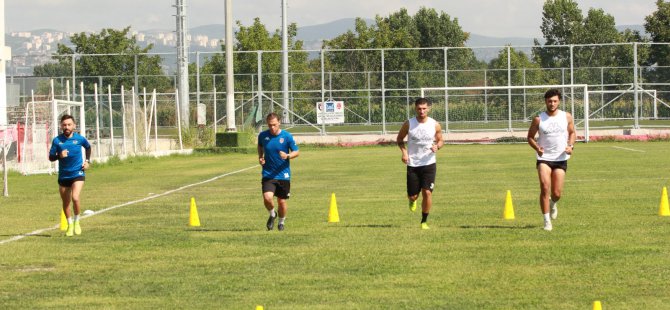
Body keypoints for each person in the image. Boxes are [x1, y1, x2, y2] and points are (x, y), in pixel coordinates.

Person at [527, 89, 576, 231]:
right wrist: (537, 148)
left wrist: (570, 146)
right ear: (545, 102)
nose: (552, 103)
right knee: (544, 187)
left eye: (555, 101)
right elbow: (530, 137)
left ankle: (553, 203)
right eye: (549, 101)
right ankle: (547, 221)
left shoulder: (566, 117)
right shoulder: (539, 119)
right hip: (544, 159)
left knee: (557, 193)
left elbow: (572, 133)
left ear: (559, 101)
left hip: (561, 159)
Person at [396, 98, 444, 230]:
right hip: (413, 164)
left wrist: (437, 147)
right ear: (415, 108)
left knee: (427, 192)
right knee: (413, 195)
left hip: (429, 163)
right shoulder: (408, 124)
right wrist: (404, 153)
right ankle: (412, 200)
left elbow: (440, 140)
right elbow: (400, 139)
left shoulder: (435, 124)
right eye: (419, 108)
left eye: (424, 108)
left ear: (428, 108)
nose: (422, 111)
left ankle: (424, 221)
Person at [48, 114, 92, 237]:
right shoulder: (57, 140)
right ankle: (70, 224)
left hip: (78, 173)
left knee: (76, 198)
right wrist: (59, 156)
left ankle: (77, 221)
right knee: (66, 203)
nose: (66, 127)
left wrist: (87, 161)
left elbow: (88, 147)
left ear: (74, 126)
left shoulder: (80, 139)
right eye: (64, 125)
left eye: (69, 124)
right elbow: (51, 157)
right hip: (64, 176)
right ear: (61, 126)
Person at [257, 112, 300, 231]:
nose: (272, 127)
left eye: (274, 125)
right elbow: (260, 146)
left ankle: (281, 222)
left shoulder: (287, 136)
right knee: (267, 197)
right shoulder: (262, 135)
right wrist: (261, 157)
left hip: (283, 175)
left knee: (281, 202)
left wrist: (287, 156)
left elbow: (296, 151)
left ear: (279, 123)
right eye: (270, 125)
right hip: (268, 173)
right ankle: (272, 214)